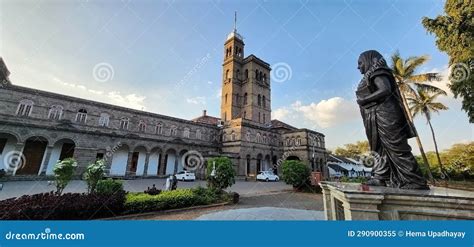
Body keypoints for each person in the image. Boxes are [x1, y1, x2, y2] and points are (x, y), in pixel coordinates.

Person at [355, 50, 429, 190]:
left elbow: (385, 89)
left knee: (395, 145)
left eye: (360, 63)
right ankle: (381, 176)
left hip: (386, 113)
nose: (358, 67)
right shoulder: (369, 74)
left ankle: (413, 179)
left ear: (369, 60)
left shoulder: (378, 71)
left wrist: (365, 99)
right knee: (378, 147)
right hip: (373, 115)